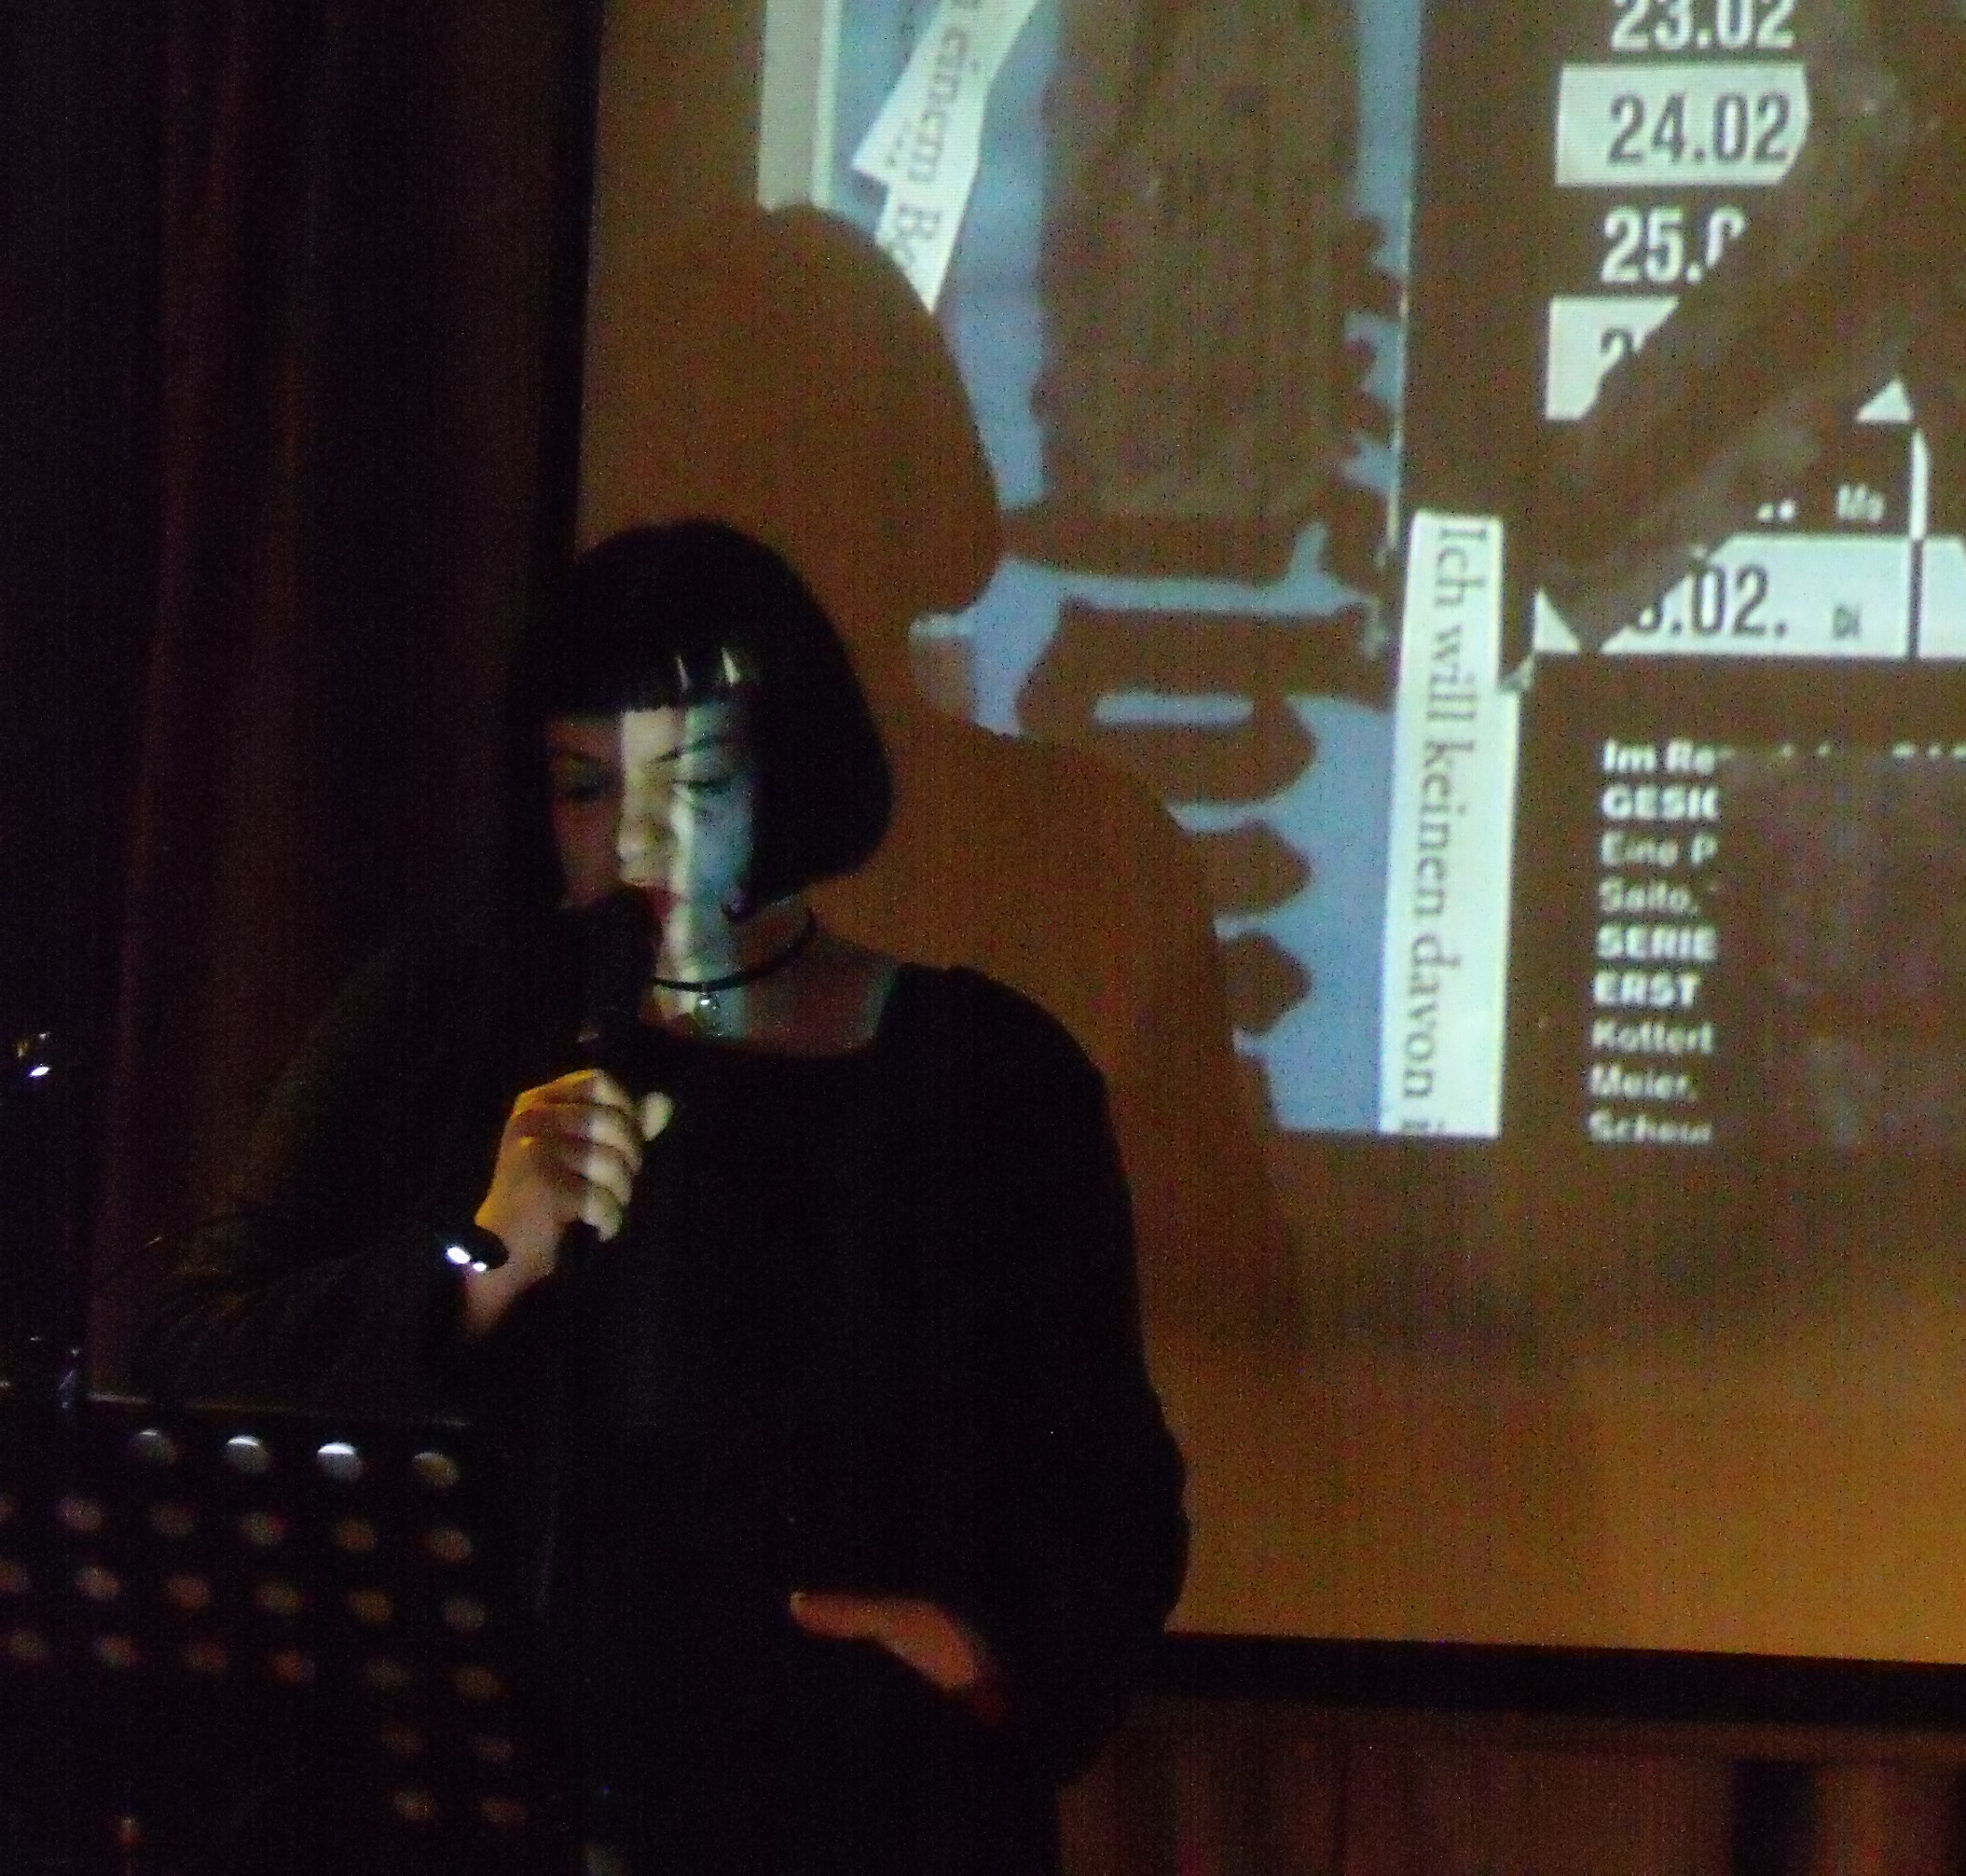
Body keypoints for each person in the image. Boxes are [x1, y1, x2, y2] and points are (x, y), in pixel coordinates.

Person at [142, 519, 1189, 1876]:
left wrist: (975, 1652)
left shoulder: (982, 1076)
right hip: (466, 1802)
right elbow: (190, 1355)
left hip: (852, 1812)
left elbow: (1111, 1491)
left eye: (693, 782)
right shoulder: (438, 1019)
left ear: (791, 777)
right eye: (586, 787)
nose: (638, 840)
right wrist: (480, 1257)